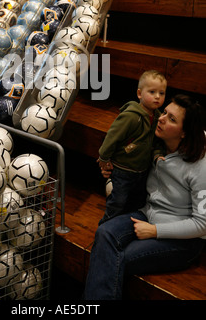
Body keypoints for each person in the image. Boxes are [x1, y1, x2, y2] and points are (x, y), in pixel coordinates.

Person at [84, 94, 206, 300]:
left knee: (111, 258)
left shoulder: (200, 165)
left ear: (184, 133)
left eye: (171, 119)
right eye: (164, 112)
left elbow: (203, 224)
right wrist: (110, 168)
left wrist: (155, 231)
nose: (161, 118)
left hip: (183, 240)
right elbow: (126, 161)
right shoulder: (153, 142)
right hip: (147, 214)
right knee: (104, 233)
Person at [98, 70, 167, 223]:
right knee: (117, 203)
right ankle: (105, 227)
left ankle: (124, 228)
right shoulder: (130, 115)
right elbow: (112, 137)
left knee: (136, 203)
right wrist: (104, 157)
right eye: (152, 92)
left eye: (161, 93)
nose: (157, 96)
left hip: (141, 171)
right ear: (139, 94)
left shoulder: (157, 117)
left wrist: (157, 155)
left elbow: (156, 143)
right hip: (123, 171)